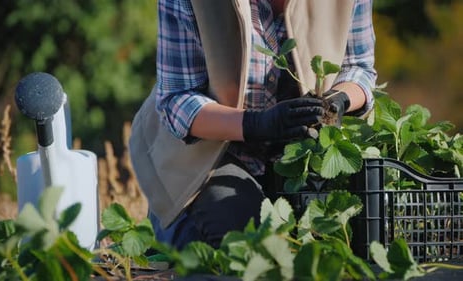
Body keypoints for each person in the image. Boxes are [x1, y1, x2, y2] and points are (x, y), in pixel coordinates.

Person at [129, 0, 377, 250]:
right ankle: (173, 232)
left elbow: (359, 68)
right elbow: (177, 99)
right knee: (245, 241)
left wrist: (338, 101)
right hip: (210, 152)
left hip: (298, 158)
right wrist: (254, 124)